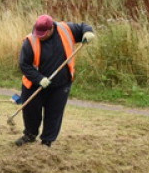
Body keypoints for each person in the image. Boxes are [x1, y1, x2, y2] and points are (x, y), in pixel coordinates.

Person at [15, 14, 95, 147]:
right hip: (35, 84)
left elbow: (83, 27)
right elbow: (24, 65)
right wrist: (39, 79)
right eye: (38, 33)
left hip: (61, 83)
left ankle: (47, 141)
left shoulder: (66, 29)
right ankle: (29, 135)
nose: (40, 36)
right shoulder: (29, 42)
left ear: (52, 28)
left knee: (54, 113)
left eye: (43, 33)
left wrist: (88, 32)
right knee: (31, 111)